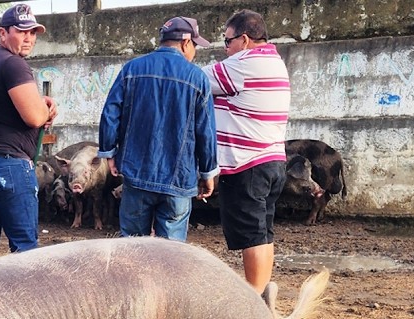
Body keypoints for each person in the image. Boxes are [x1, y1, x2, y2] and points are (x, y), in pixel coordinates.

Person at [98, 17, 218, 241]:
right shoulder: (197, 78)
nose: (195, 51)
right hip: (178, 179)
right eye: (195, 45)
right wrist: (207, 173)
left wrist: (109, 152)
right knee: (171, 253)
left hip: (136, 174)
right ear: (185, 43)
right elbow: (206, 132)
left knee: (132, 247)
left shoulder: (132, 69)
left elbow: (110, 114)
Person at [0, 3, 58, 265]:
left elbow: (15, 108)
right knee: (25, 247)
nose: (29, 38)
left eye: (33, 32)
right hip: (6, 165)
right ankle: (28, 294)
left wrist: (40, 105)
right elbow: (34, 118)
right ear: (3, 33)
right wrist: (46, 110)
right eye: (21, 31)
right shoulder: (15, 64)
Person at [205, 9, 290, 294]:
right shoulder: (274, 61)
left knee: (252, 236)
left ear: (243, 39)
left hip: (247, 163)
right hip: (272, 160)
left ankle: (254, 298)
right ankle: (263, 292)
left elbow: (193, 80)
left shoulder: (243, 64)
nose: (225, 49)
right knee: (263, 232)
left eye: (227, 41)